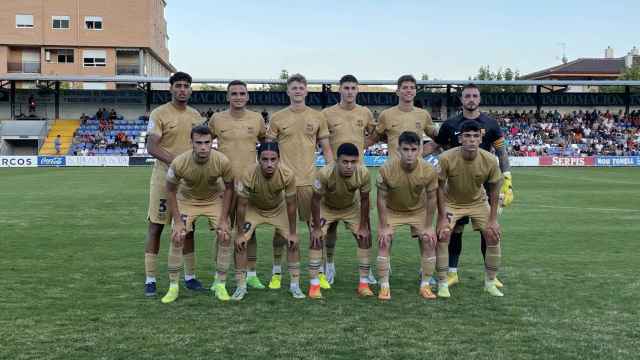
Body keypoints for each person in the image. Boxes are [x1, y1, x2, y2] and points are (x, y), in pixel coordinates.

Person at [429, 83, 512, 288]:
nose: (471, 99)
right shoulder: (450, 124)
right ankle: (452, 272)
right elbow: (437, 147)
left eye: (475, 95)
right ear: (461, 99)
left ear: (479, 99)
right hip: (456, 185)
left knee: (488, 230)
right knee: (455, 229)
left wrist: (507, 180)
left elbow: (501, 153)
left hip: (485, 186)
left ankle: (490, 274)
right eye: (467, 96)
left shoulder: (491, 124)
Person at [266, 73, 334, 290]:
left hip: (309, 181)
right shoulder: (278, 118)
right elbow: (269, 149)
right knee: (280, 230)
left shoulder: (317, 117)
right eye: (293, 87)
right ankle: (277, 273)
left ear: (306, 91)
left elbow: (326, 147)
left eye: (301, 88)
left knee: (316, 228)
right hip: (283, 182)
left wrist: (331, 170)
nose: (297, 91)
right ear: (288, 91)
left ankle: (320, 272)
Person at [143, 72, 204, 297]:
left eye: (186, 86)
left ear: (190, 90)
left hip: (189, 183)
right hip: (164, 179)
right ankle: (150, 279)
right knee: (156, 227)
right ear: (170, 89)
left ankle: (190, 277)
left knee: (188, 229)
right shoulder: (159, 113)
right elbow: (152, 147)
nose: (182, 89)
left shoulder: (196, 116)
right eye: (178, 85)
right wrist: (178, 163)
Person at [161, 125, 234, 303]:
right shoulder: (180, 162)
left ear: (212, 142)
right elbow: (170, 190)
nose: (203, 147)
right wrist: (177, 221)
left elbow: (230, 188)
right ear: (191, 143)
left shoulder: (222, 161)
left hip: (212, 200)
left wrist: (224, 219)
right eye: (198, 143)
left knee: (225, 234)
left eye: (207, 143)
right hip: (187, 201)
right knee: (177, 236)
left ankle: (220, 284)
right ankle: (173, 287)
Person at [208, 80, 267, 290]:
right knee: (223, 230)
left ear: (248, 96)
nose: (238, 97)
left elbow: (268, 144)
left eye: (242, 93)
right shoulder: (216, 119)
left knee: (249, 230)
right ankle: (219, 276)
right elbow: (204, 142)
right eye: (234, 93)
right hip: (224, 185)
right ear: (227, 97)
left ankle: (251, 273)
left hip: (250, 185)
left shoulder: (257, 119)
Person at [436, 119, 504, 297]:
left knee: (493, 235)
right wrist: (442, 216)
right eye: (467, 136)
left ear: (481, 139)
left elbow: (495, 189)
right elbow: (438, 187)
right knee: (443, 234)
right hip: (452, 203)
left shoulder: (490, 160)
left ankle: (490, 282)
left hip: (478, 202)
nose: (472, 139)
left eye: (476, 136)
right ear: (460, 139)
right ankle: (443, 282)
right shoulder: (446, 158)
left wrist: (493, 219)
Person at [320, 74, 377, 285]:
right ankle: (329, 265)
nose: (350, 91)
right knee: (330, 227)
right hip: (334, 174)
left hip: (356, 175)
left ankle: (366, 270)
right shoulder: (327, 114)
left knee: (363, 228)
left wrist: (361, 149)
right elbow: (322, 140)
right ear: (339, 90)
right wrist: (329, 164)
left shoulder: (365, 113)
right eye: (346, 87)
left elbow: (373, 134)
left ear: (358, 90)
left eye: (353, 88)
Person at [375, 131, 441, 300]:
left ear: (420, 149)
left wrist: (428, 226)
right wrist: (383, 226)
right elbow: (381, 199)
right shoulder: (386, 169)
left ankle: (425, 284)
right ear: (398, 149)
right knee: (384, 239)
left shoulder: (428, 170)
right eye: (406, 149)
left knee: (429, 239)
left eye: (413, 149)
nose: (409, 154)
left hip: (418, 210)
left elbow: (433, 198)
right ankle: (384, 286)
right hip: (392, 210)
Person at [234, 142, 301, 300]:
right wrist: (239, 233)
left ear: (279, 159)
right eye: (265, 159)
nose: (269, 164)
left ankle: (295, 286)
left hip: (278, 209)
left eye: (273, 159)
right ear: (258, 159)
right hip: (254, 209)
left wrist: (292, 233)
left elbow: (291, 205)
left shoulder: (287, 174)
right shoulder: (248, 173)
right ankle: (241, 286)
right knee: (240, 243)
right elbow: (242, 206)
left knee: (293, 242)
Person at [308, 143, 372, 299]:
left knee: (364, 238)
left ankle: (364, 284)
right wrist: (316, 228)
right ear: (337, 161)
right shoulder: (324, 173)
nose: (349, 166)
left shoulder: (363, 173)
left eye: (353, 162)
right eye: (345, 162)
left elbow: (365, 200)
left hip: (350, 208)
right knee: (316, 239)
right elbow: (315, 200)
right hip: (327, 208)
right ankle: (314, 285)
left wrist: (363, 226)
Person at [371, 74, 438, 161]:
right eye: (405, 87)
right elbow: (375, 138)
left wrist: (421, 153)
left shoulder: (423, 114)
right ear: (398, 92)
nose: (409, 90)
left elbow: (438, 139)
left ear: (415, 91)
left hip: (416, 170)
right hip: (394, 170)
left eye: (412, 88)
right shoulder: (386, 115)